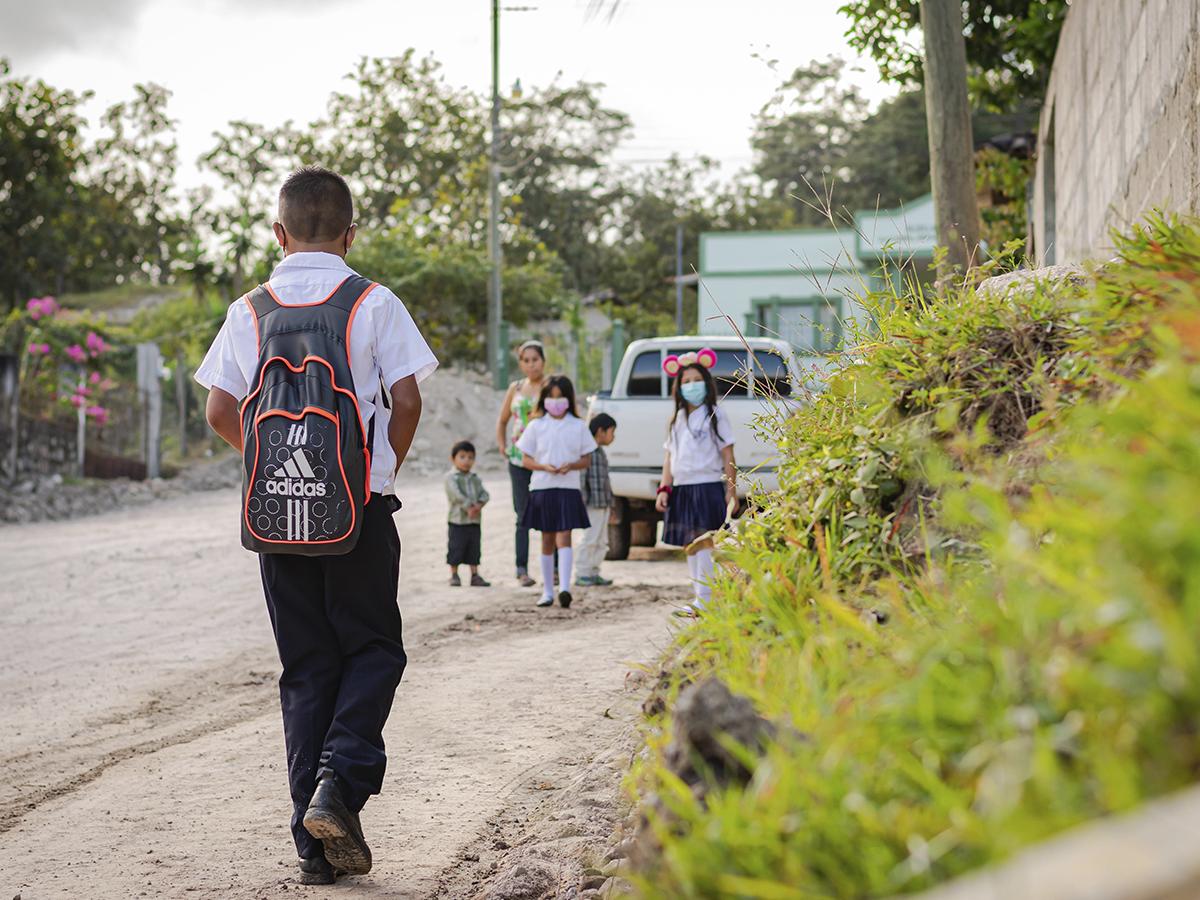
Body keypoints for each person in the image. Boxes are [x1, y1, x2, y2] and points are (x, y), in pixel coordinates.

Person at [195, 166, 437, 886]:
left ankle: (314, 854)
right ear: (350, 233)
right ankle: (342, 780)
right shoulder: (373, 301)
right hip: (356, 509)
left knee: (305, 670)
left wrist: (278, 466)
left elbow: (218, 411)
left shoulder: (249, 309)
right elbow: (407, 399)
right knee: (373, 650)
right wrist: (369, 473)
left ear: (279, 232)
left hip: (277, 517)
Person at [654, 350, 736, 615]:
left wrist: (730, 490)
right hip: (682, 488)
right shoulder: (676, 419)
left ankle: (707, 599)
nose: (691, 385)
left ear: (706, 382)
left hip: (708, 485)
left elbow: (728, 454)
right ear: (678, 388)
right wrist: (664, 488)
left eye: (696, 379)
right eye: (685, 381)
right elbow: (669, 457)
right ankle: (699, 597)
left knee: (706, 544)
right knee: (689, 545)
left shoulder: (715, 415)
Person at [515, 374, 596, 608]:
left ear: (569, 399)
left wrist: (571, 465)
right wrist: (544, 467)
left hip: (568, 487)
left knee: (565, 536)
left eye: (560, 397)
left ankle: (565, 588)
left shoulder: (578, 426)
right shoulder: (536, 426)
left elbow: (587, 459)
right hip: (542, 487)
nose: (556, 402)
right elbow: (525, 459)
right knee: (547, 539)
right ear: (544, 400)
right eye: (551, 397)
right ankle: (548, 591)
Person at [495, 340, 548, 588]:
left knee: (550, 513)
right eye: (525, 360)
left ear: (543, 361)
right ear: (520, 363)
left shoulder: (551, 387)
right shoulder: (515, 388)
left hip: (546, 460)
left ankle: (554, 568)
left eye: (534, 359)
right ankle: (522, 569)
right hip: (518, 459)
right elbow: (503, 420)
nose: (530, 365)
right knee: (522, 515)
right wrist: (502, 445)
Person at [577, 413, 617, 587]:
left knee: (601, 541)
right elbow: (582, 479)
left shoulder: (599, 452)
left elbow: (605, 481)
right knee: (590, 539)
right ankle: (583, 572)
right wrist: (582, 503)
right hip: (592, 504)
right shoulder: (587, 452)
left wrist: (610, 504)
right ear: (600, 431)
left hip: (603, 503)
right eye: (611, 432)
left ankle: (594, 572)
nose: (613, 437)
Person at [445, 440, 491, 587]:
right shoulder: (451, 477)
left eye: (470, 457)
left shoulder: (475, 478)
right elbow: (455, 495)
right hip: (457, 520)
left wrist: (478, 505)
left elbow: (485, 494)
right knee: (456, 547)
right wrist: (468, 507)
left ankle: (475, 575)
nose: (467, 461)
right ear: (453, 459)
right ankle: (454, 574)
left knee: (474, 548)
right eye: (462, 457)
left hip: (474, 521)